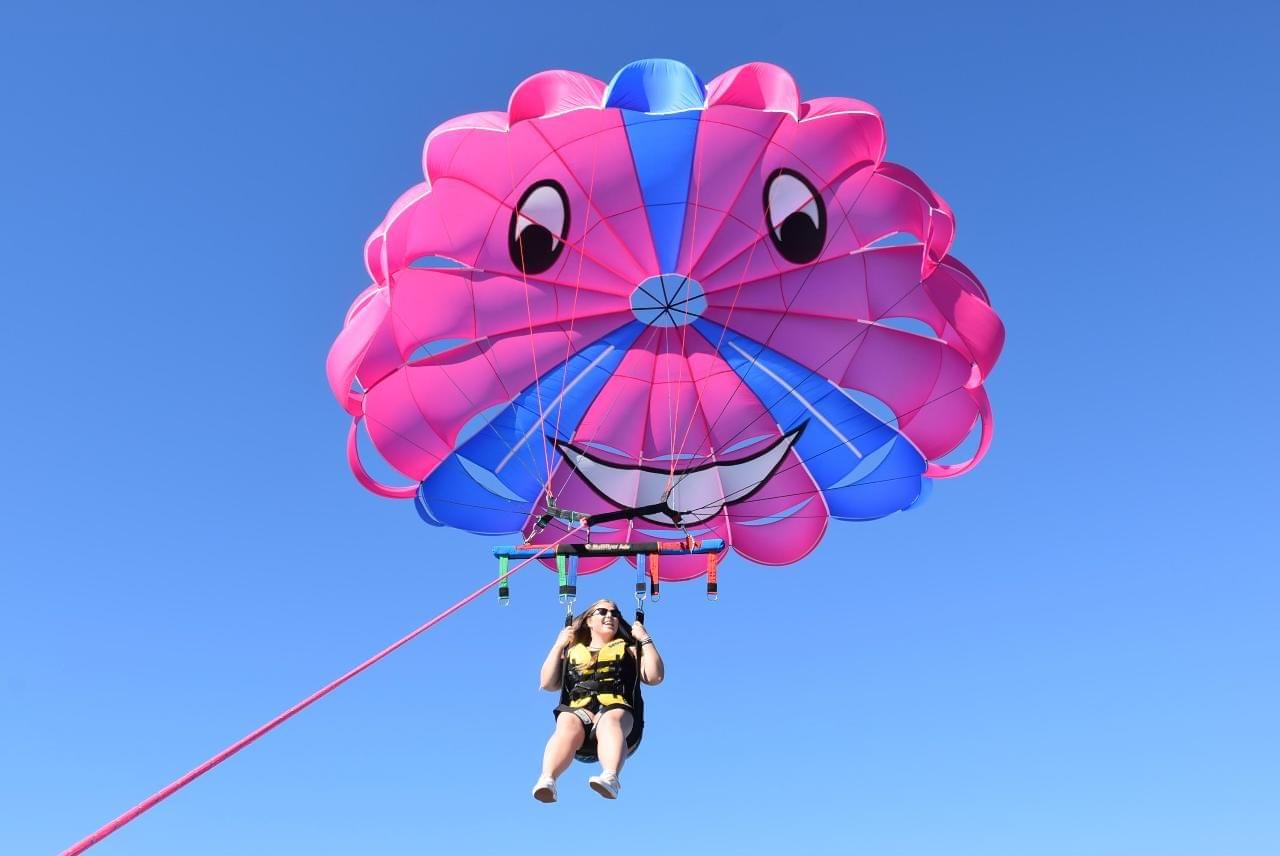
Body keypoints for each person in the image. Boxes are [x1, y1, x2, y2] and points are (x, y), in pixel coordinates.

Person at [531, 598, 663, 802]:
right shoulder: (572, 652)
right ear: (589, 621)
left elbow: (655, 677)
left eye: (615, 613)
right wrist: (559, 644)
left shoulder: (629, 650)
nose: (610, 616)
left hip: (618, 713)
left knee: (609, 720)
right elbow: (547, 683)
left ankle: (610, 777)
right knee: (566, 721)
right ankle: (548, 779)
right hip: (580, 715)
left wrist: (644, 638)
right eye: (602, 611)